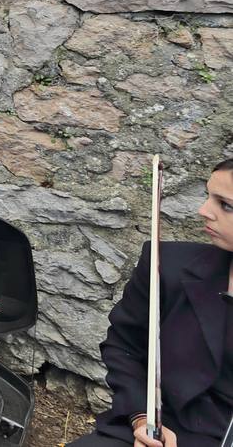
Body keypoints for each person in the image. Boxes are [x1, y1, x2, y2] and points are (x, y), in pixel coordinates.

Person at [67, 158, 233, 447]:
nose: (203, 211)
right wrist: (144, 419)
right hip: (162, 427)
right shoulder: (165, 265)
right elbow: (124, 346)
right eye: (208, 197)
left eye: (226, 205)